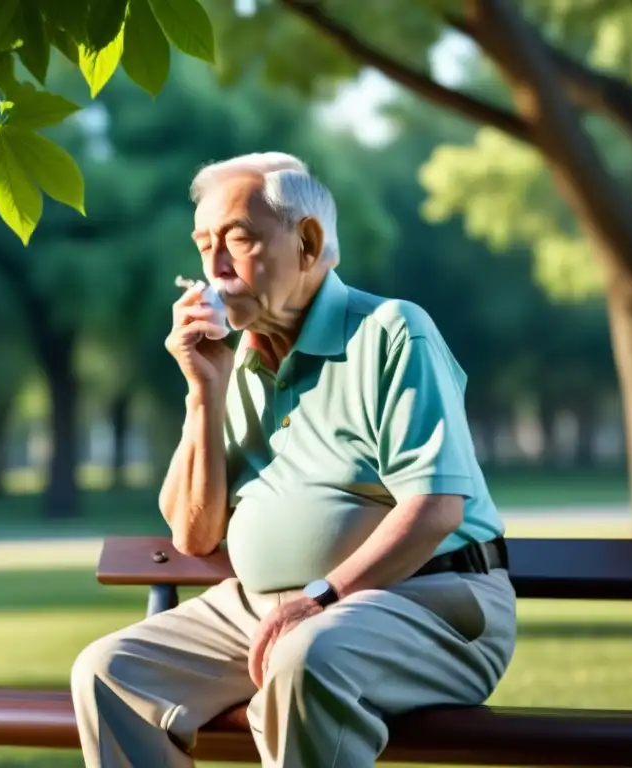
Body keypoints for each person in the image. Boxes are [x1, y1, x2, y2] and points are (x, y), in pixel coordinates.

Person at [71, 152, 516, 767]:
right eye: (204, 245)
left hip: (426, 602)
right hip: (265, 613)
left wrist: (322, 599)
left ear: (307, 242)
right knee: (109, 672)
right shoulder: (235, 363)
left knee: (307, 657)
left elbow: (436, 507)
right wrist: (204, 389)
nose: (215, 267)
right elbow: (194, 533)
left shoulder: (390, 332)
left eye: (238, 239)